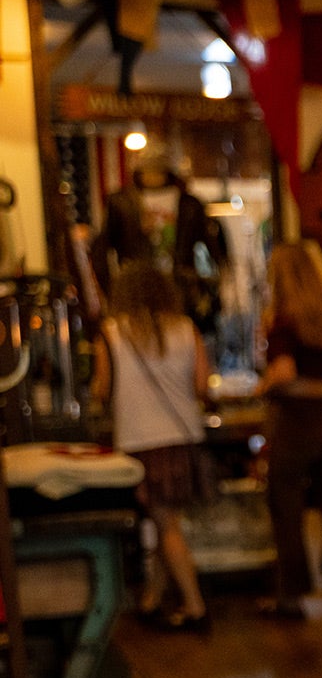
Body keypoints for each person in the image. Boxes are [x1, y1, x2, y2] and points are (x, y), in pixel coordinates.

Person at [99, 264, 211, 631]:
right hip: (183, 440)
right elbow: (202, 387)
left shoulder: (112, 333)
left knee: (166, 526)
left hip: (140, 441)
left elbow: (102, 389)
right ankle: (152, 599)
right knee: (167, 523)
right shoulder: (185, 328)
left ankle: (195, 607)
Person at [260, 242, 322, 618]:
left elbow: (284, 372)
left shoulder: (285, 318)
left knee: (286, 505)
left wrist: (262, 386)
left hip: (295, 417)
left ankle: (291, 595)